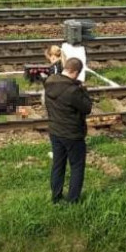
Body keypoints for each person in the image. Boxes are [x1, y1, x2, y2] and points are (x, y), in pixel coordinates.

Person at [44, 57, 94, 204]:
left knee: (58, 165)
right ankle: (73, 200)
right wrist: (83, 90)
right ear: (75, 72)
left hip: (55, 131)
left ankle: (56, 197)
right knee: (77, 166)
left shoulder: (50, 81)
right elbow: (87, 108)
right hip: (72, 134)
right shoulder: (73, 91)